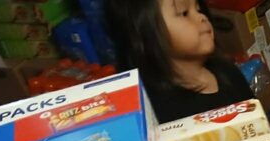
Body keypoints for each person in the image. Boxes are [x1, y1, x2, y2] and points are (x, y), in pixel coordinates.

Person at [105, 0, 254, 123]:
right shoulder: (156, 110)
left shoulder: (228, 72)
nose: (201, 17)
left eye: (198, 9)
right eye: (184, 13)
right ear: (145, 35)